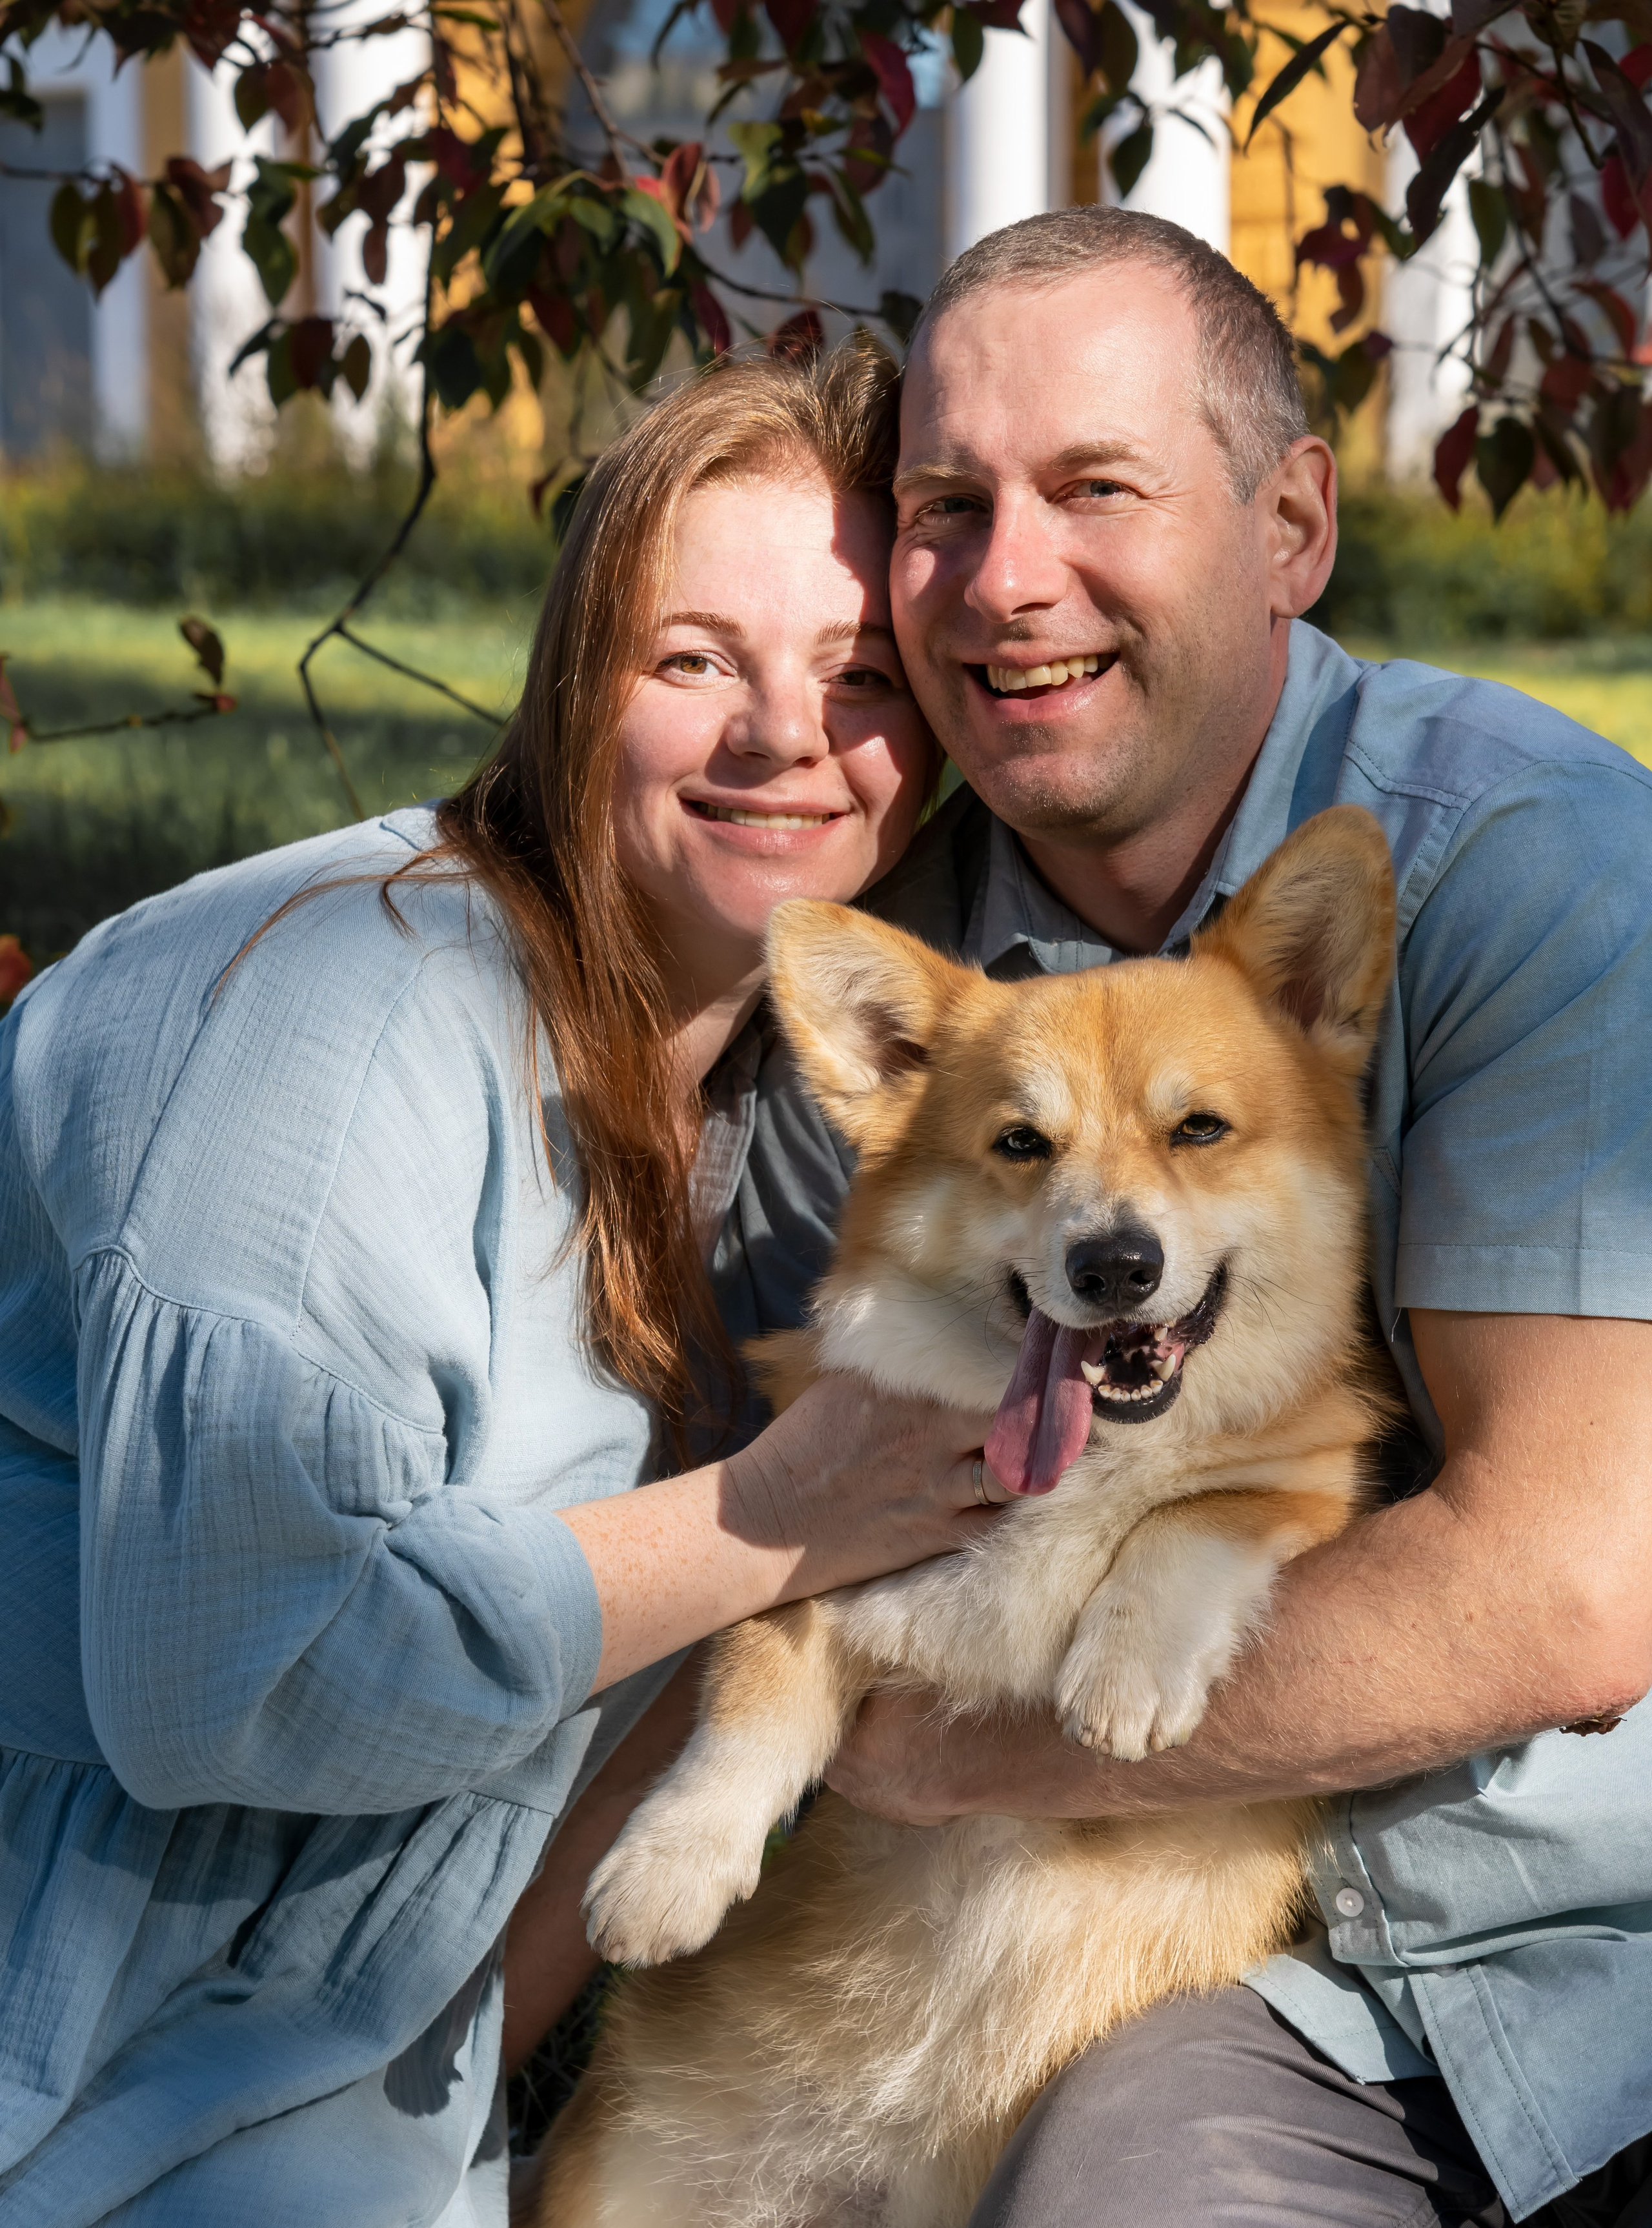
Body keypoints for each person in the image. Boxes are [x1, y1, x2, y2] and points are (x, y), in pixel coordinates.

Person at [690, 210, 1652, 2225]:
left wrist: (948, 1752)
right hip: (1156, 1949)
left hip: (1575, 1940)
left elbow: (1567, 1594)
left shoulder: (1532, 874)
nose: (1008, 579)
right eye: (947, 504)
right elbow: (776, 1498)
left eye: (1095, 488)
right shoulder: (916, 985)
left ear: (1294, 523)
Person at [0, 343, 1007, 2226]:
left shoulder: (771, 1104)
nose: (786, 733)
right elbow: (244, 1661)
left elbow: (643, 1710)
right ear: (572, 686)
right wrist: (779, 1516)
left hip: (340, 2079)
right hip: (64, 2043)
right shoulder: (333, 1020)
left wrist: (442, 2123)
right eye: (693, 656)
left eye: (861, 675)